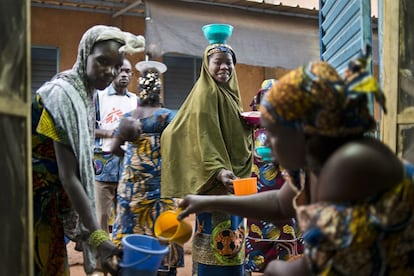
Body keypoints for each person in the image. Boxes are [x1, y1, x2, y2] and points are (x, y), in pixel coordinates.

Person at [177, 47, 414, 275]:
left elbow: (319, 266)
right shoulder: (318, 162)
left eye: (274, 133)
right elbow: (280, 204)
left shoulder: (347, 166)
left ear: (304, 131)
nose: (266, 144)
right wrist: (206, 202)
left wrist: (278, 269)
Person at [31, 25, 145, 275]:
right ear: (85, 54)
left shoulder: (84, 93)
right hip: (33, 202)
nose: (110, 72)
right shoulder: (63, 96)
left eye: (117, 66)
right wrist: (97, 238)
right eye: (103, 61)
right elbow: (69, 176)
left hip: (50, 202)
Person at [160, 39, 254, 274]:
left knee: (233, 239)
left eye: (229, 63)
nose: (224, 67)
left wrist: (248, 126)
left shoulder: (230, 94)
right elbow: (206, 137)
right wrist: (219, 170)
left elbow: (231, 136)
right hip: (215, 181)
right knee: (215, 244)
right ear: (206, 65)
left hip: (233, 183)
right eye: (218, 62)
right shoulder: (205, 94)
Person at [110, 61, 183, 275]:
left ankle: (131, 265)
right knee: (163, 231)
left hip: (131, 188)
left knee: (129, 230)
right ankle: (164, 268)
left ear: (139, 91)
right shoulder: (169, 117)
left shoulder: (128, 117)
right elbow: (179, 152)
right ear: (159, 91)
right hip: (162, 187)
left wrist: (133, 161)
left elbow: (114, 148)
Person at [245, 79, 303, 275]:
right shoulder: (251, 127)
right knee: (259, 247)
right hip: (259, 195)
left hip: (285, 193)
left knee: (288, 247)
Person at [94, 58, 138, 234]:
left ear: (132, 75)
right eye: (120, 70)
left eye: (127, 71)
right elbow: (87, 127)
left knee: (126, 216)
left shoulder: (135, 101)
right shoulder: (98, 96)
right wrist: (113, 134)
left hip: (127, 165)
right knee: (101, 217)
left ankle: (123, 258)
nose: (124, 74)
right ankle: (101, 261)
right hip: (102, 165)